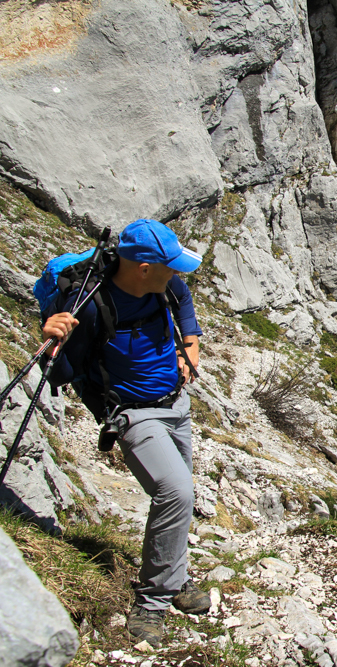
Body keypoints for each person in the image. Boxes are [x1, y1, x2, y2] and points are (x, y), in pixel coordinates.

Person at [42, 219, 210, 647]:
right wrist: (52, 336)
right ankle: (153, 601)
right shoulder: (89, 305)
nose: (178, 274)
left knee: (180, 494)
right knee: (176, 491)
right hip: (134, 414)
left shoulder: (163, 284)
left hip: (175, 404)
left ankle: (175, 575)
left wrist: (190, 347)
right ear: (143, 267)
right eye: (170, 266)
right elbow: (60, 374)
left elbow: (184, 303)